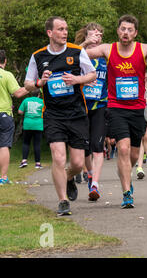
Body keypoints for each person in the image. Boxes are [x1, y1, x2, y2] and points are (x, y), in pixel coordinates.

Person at [86, 14, 147, 209]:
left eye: (129, 30)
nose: (125, 32)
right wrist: (87, 42)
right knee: (124, 149)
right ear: (118, 31)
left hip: (137, 109)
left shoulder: (144, 49)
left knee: (134, 155)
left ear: (135, 33)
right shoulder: (108, 49)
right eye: (122, 29)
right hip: (116, 107)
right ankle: (127, 193)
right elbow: (79, 56)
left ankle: (127, 177)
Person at [25, 16, 96, 216]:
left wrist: (77, 79)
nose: (65, 32)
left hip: (76, 113)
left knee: (77, 163)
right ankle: (63, 201)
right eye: (60, 29)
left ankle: (67, 177)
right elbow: (28, 83)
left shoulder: (77, 51)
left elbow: (91, 74)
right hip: (53, 115)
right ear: (50, 33)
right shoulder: (38, 56)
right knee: (58, 157)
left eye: (66, 29)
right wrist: (40, 83)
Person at [74, 22, 108, 202]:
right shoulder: (80, 54)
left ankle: (95, 183)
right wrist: (86, 43)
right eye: (92, 34)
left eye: (99, 35)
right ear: (86, 35)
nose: (96, 38)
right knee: (84, 148)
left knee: (97, 147)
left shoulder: (106, 56)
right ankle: (89, 175)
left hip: (100, 106)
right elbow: (67, 58)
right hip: (81, 107)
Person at [0, 50, 29, 185]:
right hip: (3, 114)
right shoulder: (6, 75)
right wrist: (33, 85)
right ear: (5, 61)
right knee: (4, 145)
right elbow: (18, 93)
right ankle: (3, 177)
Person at [18, 90, 44, 169]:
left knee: (26, 143)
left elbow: (20, 112)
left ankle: (24, 161)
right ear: (38, 94)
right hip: (38, 125)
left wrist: (26, 112)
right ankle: (38, 163)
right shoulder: (42, 101)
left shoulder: (26, 100)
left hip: (28, 124)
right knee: (37, 144)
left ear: (31, 94)